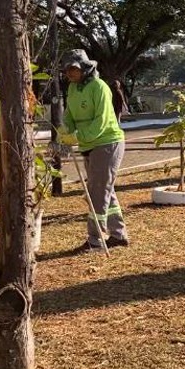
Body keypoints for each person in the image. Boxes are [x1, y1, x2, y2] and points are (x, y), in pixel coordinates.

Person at [58, 49, 129, 251]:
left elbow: (102, 121)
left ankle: (95, 240)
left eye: (74, 69)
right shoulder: (73, 88)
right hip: (88, 146)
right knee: (105, 189)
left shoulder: (99, 87)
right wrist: (65, 131)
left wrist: (78, 137)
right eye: (67, 70)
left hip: (107, 143)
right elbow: (69, 113)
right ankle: (119, 234)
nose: (70, 73)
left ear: (85, 69)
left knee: (97, 192)